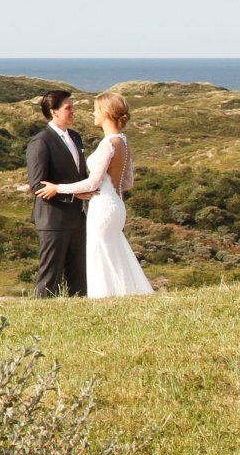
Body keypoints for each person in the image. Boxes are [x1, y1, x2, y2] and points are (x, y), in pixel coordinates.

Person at [37, 91, 155, 299]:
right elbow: (127, 182)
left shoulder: (108, 143)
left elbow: (93, 183)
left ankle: (105, 297)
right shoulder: (123, 142)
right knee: (115, 252)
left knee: (100, 255)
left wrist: (57, 188)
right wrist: (111, 190)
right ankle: (125, 293)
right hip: (116, 204)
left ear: (106, 113)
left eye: (96, 110)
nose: (93, 114)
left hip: (102, 206)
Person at [25, 90, 90, 297]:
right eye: (68, 108)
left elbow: (80, 175)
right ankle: (41, 313)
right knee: (50, 277)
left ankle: (78, 312)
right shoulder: (41, 142)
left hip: (77, 218)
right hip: (53, 220)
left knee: (79, 276)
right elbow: (37, 185)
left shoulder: (76, 137)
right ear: (54, 112)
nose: (73, 111)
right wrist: (72, 194)